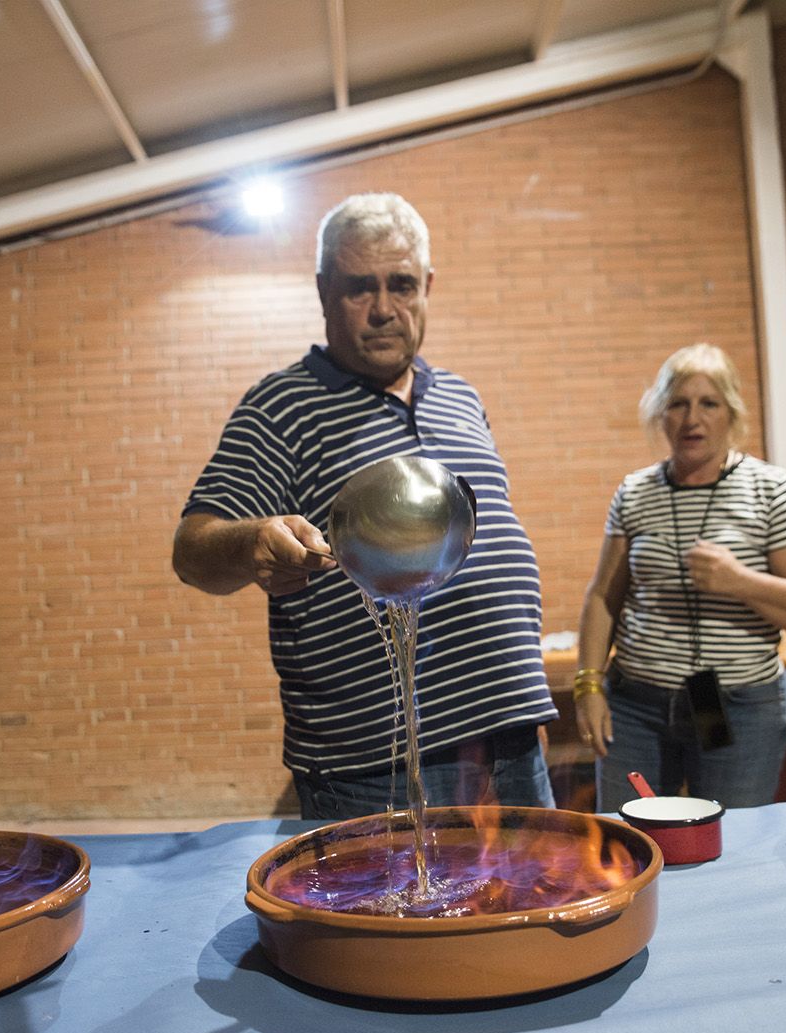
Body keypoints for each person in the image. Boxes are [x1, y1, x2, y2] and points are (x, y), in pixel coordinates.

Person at [173, 192, 558, 820]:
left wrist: (521, 706)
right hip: (375, 765)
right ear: (324, 291)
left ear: (428, 285)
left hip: (511, 737)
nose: (384, 309)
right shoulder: (281, 408)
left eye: (402, 285)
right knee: (388, 918)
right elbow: (192, 549)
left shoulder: (460, 396)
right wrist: (252, 541)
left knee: (527, 913)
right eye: (360, 288)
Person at [574, 343, 786, 811]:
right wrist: (589, 686)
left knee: (732, 847)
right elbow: (603, 598)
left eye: (708, 403)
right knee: (628, 846)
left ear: (731, 414)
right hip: (636, 706)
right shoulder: (636, 492)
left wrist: (742, 581)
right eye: (677, 403)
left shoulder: (769, 489)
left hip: (739, 707)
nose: (692, 418)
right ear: (660, 414)